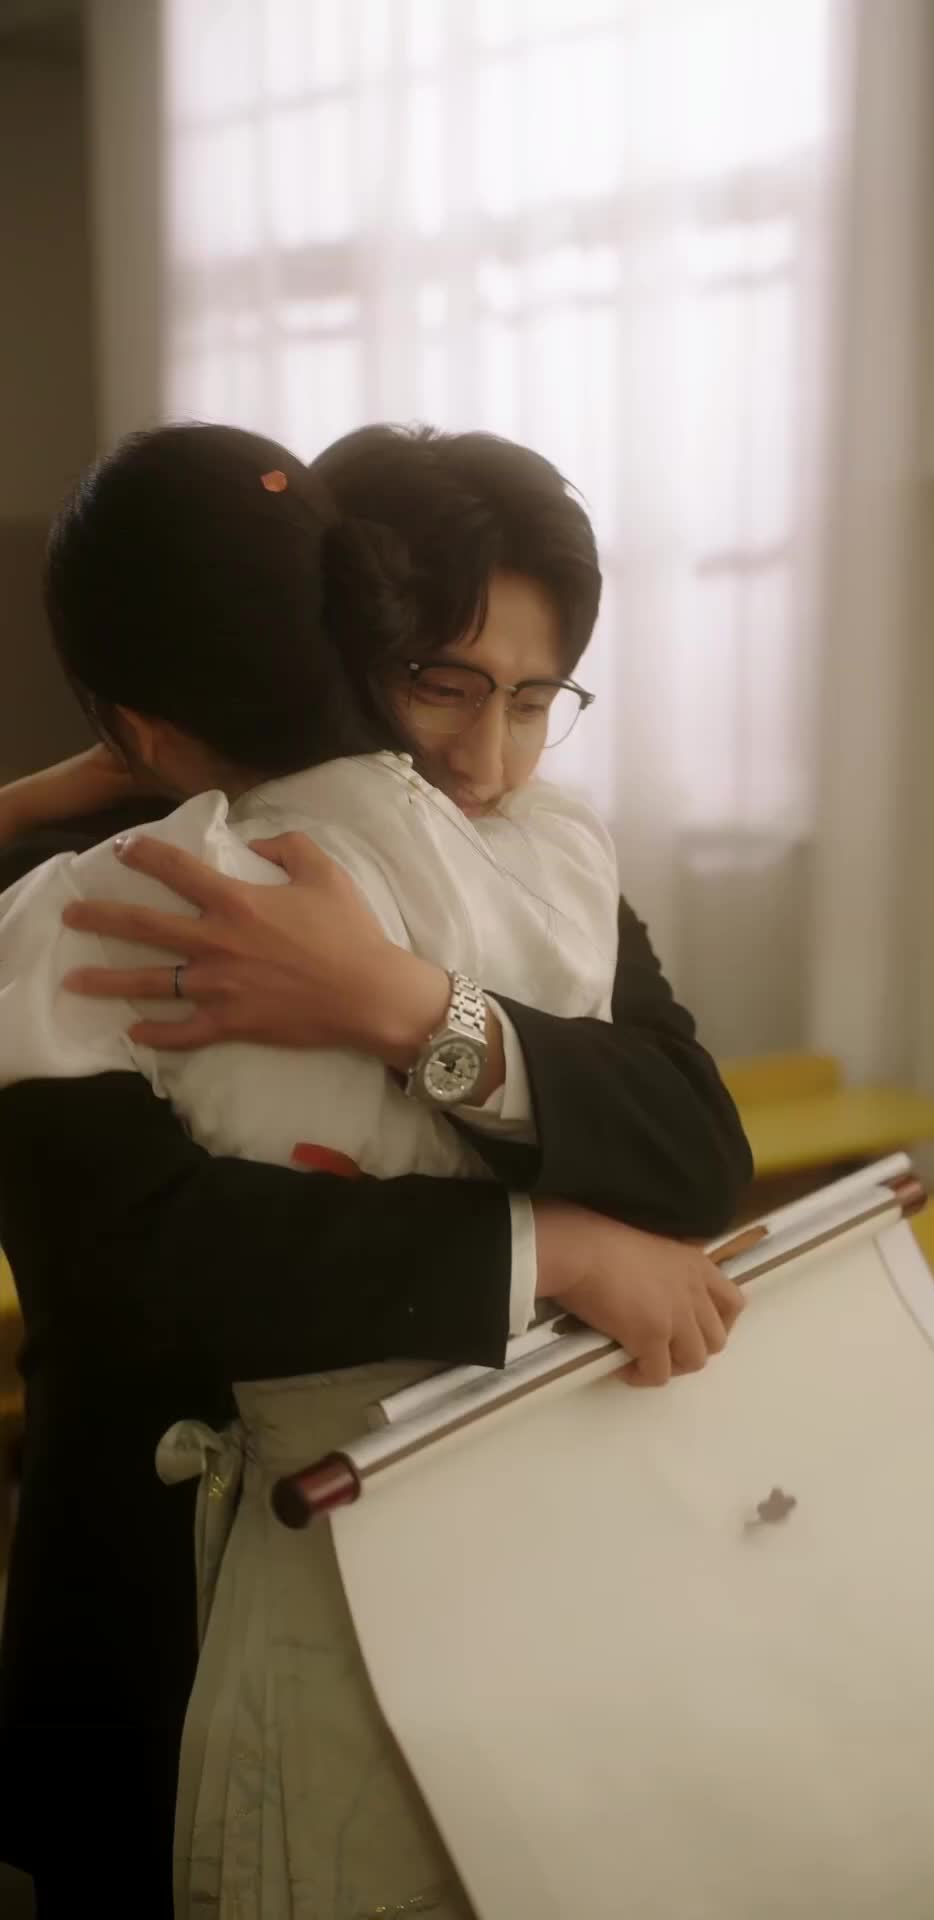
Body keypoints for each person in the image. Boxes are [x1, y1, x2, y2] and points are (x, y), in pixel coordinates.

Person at [0, 424, 752, 1915]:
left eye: (534, 701)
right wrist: (555, 1250)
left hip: (480, 1567)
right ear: (342, 632)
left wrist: (410, 1010)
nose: (485, 761)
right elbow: (129, 1277)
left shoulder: (535, 855)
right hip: (163, 1609)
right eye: (442, 686)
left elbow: (692, 1151)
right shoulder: (121, 872)